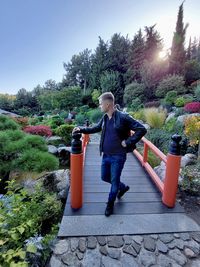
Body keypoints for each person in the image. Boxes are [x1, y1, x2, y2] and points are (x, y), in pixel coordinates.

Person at [72, 92, 147, 216]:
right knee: (104, 177)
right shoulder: (105, 117)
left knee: (114, 179)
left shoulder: (123, 117)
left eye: (100, 104)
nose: (99, 106)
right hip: (106, 155)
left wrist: (128, 142)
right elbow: (96, 128)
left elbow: (142, 129)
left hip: (118, 156)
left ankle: (110, 204)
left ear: (107, 104)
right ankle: (122, 187)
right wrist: (81, 129)